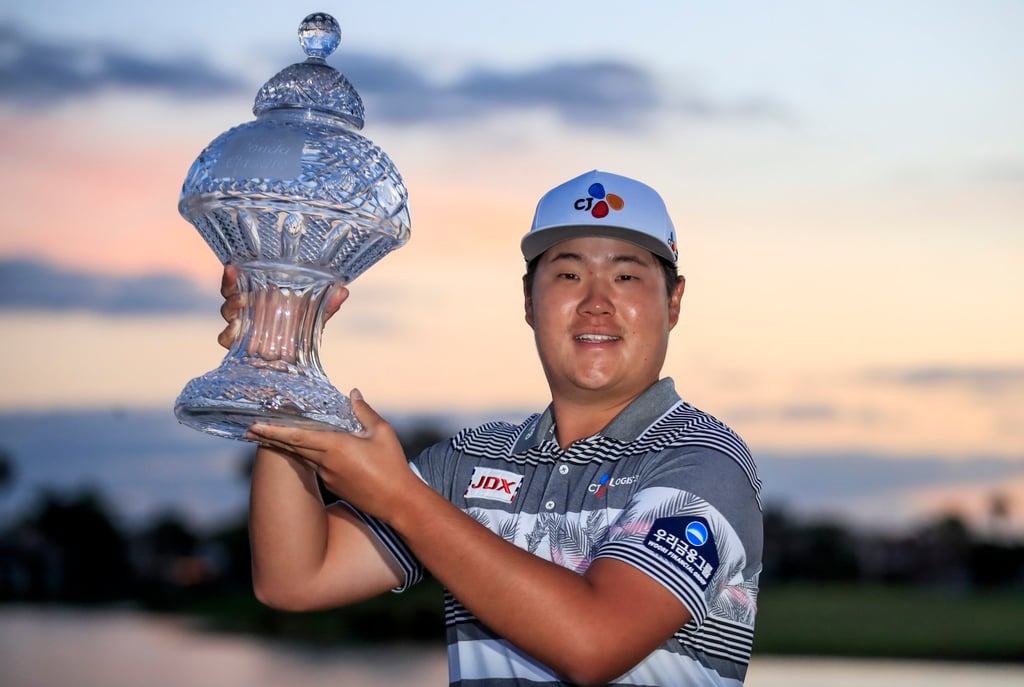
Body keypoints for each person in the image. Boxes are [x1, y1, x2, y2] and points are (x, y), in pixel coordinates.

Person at [228, 169, 763, 686]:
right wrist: (281, 368)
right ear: (529, 301)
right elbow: (295, 578)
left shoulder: (705, 460)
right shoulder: (469, 460)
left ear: (673, 302)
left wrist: (400, 498)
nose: (597, 303)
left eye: (626, 277)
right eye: (569, 275)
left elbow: (595, 643)